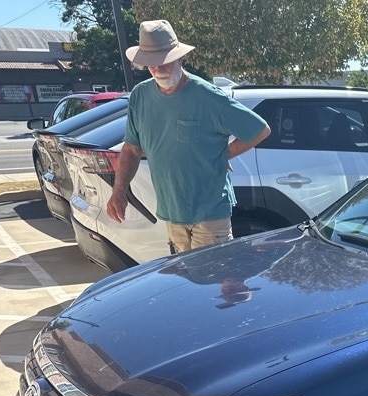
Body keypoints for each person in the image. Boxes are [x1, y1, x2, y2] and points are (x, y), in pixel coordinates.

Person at [106, 20, 271, 254]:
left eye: (165, 60)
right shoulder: (140, 96)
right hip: (172, 212)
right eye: (152, 63)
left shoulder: (208, 96)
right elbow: (132, 149)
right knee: (186, 286)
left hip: (210, 212)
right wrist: (119, 191)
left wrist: (224, 153)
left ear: (179, 57)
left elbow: (259, 130)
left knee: (211, 285)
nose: (159, 68)